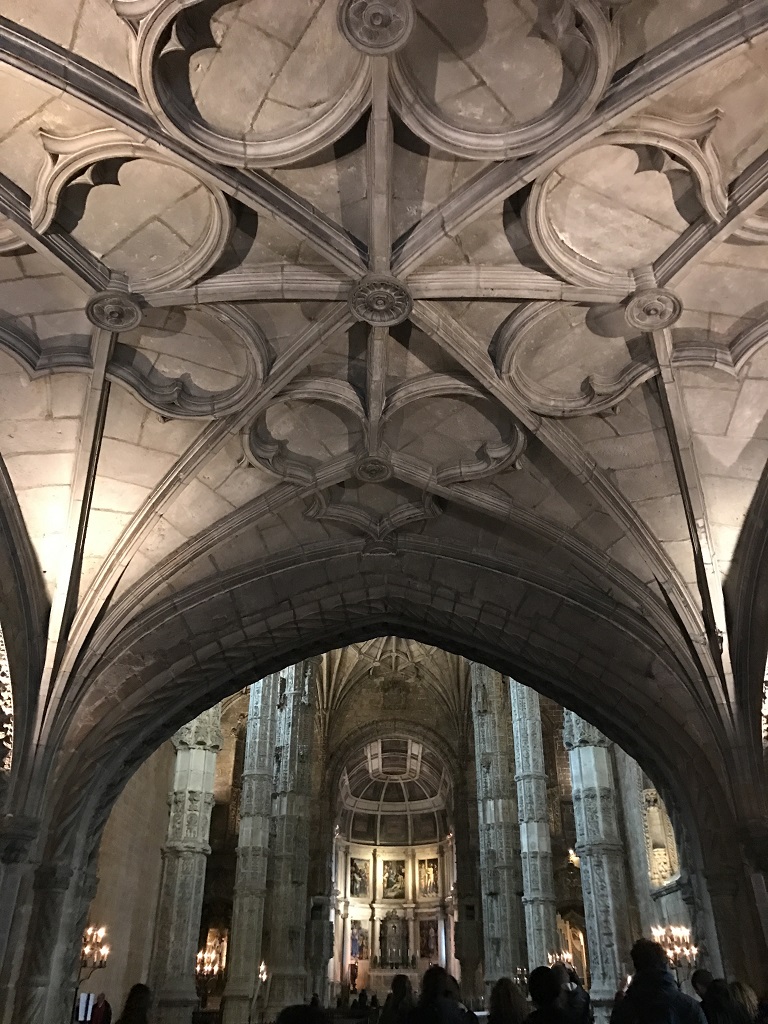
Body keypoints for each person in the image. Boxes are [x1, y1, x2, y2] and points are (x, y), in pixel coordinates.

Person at [610, 940, 705, 1024]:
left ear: (636, 966)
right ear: (664, 963)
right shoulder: (690, 1006)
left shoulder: (628, 1008)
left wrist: (620, 994)